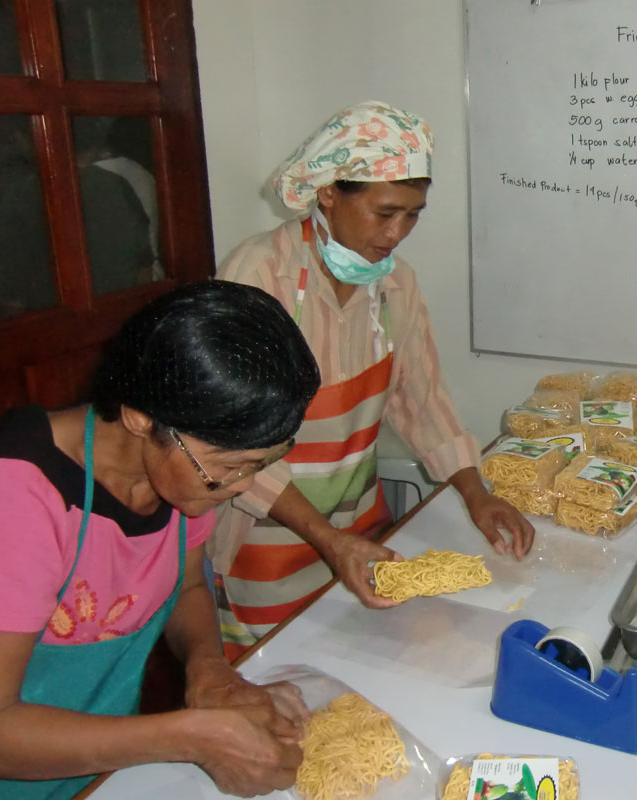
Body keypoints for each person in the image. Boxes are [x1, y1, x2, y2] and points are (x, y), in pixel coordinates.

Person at [0, 281, 321, 799]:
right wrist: (187, 736)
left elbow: (187, 587)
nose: (241, 487)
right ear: (139, 415)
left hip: (103, 769)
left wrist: (209, 670)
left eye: (260, 464)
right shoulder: (11, 493)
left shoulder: (181, 481)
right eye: (228, 466)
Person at [211, 101, 535, 660]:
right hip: (266, 536)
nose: (397, 233)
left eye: (413, 214)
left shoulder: (394, 286)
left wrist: (476, 492)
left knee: (364, 665)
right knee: (284, 680)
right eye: (385, 212)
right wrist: (327, 539)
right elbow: (228, 443)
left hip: (359, 524)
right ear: (330, 193)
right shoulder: (260, 275)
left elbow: (422, 400)